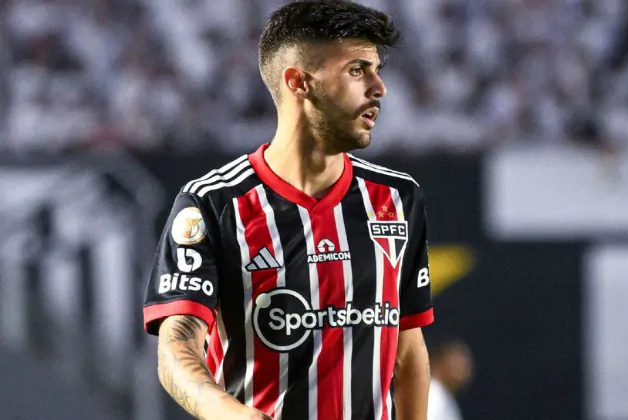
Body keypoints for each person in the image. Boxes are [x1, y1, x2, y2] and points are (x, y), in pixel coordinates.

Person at [142, 2, 434, 419]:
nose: (379, 87)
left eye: (377, 69)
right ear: (299, 82)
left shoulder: (398, 198)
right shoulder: (212, 205)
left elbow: (409, 349)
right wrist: (228, 413)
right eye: (357, 70)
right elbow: (177, 348)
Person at [427, 339, 473, 420]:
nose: (462, 367)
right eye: (457, 359)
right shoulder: (431, 392)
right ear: (438, 360)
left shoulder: (445, 397)